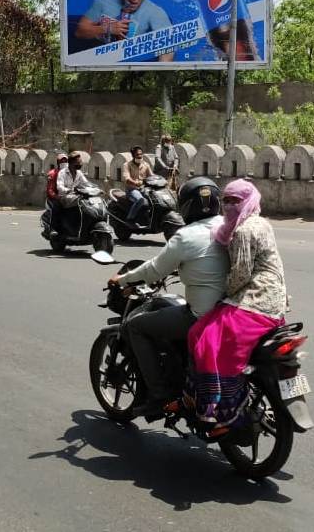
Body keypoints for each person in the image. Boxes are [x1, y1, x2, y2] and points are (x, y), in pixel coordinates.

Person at [107, 177, 229, 415]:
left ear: (185, 206)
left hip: (201, 316)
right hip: (234, 311)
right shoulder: (231, 226)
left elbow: (154, 270)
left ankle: (158, 394)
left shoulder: (186, 236)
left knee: (135, 326)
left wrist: (121, 280)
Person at [186, 179, 288, 437]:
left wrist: (223, 293)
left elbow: (241, 273)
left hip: (255, 300)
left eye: (236, 201)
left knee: (202, 336)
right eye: (227, 200)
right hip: (275, 300)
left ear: (249, 200)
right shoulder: (262, 222)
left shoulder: (243, 231)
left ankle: (217, 406)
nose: (230, 205)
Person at [74, 0, 174, 62]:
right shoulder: (102, 0)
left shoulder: (155, 12)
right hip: (98, 62)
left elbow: (168, 50)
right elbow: (79, 32)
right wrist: (108, 28)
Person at [122, 146, 153, 227]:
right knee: (140, 199)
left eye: (141, 154)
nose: (140, 156)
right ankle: (130, 219)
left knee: (154, 199)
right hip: (131, 190)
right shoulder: (127, 165)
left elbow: (151, 176)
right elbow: (127, 178)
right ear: (133, 155)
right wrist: (135, 183)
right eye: (137, 154)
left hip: (144, 189)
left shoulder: (146, 165)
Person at [44, 154, 68, 237]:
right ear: (58, 163)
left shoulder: (70, 172)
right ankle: (52, 228)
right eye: (62, 161)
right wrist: (57, 197)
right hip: (55, 197)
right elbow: (50, 190)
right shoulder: (53, 173)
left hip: (68, 196)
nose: (64, 162)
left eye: (65, 161)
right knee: (57, 206)